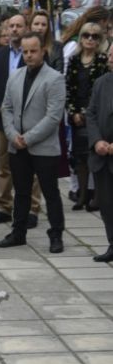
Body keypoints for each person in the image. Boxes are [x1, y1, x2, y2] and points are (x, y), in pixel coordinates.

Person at [0, 32, 66, 253]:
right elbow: (6, 108)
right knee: (21, 192)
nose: (28, 55)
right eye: (25, 51)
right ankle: (18, 232)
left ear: (42, 50)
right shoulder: (15, 76)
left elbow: (53, 117)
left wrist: (27, 138)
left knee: (50, 192)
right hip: (17, 145)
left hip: (43, 147)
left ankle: (56, 234)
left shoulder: (54, 78)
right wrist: (11, 135)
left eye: (33, 51)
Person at [0, 14, 42, 228]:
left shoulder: (33, 55)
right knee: (3, 166)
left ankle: (32, 208)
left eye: (19, 26)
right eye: (11, 26)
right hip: (3, 120)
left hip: (28, 120)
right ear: (6, 29)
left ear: (26, 28)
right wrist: (1, 105)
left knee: (32, 165)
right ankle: (4, 206)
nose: (15, 29)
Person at [65, 22, 108, 211]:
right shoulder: (74, 60)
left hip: (95, 115)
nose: (90, 39)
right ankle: (82, 195)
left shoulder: (102, 60)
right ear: (80, 38)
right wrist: (73, 112)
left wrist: (86, 113)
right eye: (86, 35)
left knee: (95, 157)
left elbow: (102, 92)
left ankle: (97, 196)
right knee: (79, 157)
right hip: (76, 115)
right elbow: (68, 89)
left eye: (95, 36)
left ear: (100, 40)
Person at [87, 43, 113, 262]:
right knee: (106, 204)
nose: (112, 58)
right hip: (101, 156)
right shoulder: (100, 83)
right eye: (111, 54)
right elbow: (92, 114)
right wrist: (96, 141)